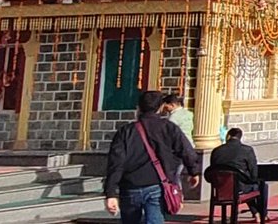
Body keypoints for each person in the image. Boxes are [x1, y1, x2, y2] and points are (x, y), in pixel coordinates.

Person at [105, 91, 200, 224]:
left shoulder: (126, 131)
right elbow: (186, 150)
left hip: (129, 186)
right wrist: (193, 171)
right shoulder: (169, 128)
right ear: (160, 107)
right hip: (157, 185)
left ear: (139, 108)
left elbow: (115, 163)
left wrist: (111, 193)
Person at [209, 128, 267, 223]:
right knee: (259, 185)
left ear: (228, 136)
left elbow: (211, 169)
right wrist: (253, 179)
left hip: (220, 188)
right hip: (240, 188)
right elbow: (253, 170)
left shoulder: (216, 151)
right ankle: (262, 214)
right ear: (240, 137)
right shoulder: (246, 150)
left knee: (242, 184)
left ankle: (256, 213)